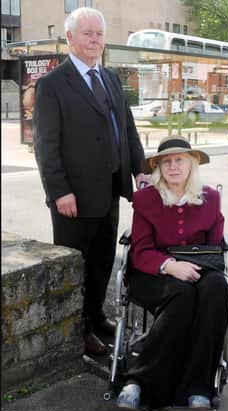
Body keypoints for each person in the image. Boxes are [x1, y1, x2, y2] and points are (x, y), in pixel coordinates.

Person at [33, 7, 149, 356]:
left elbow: (127, 129)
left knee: (102, 260)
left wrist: (139, 169)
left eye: (99, 33)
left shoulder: (111, 78)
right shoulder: (52, 85)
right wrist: (59, 192)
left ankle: (96, 317)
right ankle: (79, 330)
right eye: (87, 33)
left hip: (110, 190)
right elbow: (45, 146)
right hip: (74, 198)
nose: (95, 39)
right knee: (77, 265)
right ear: (70, 38)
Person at [116, 135, 228, 410]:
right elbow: (141, 250)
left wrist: (193, 269)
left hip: (200, 270)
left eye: (179, 159)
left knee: (217, 290)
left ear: (191, 164)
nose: (173, 166)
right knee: (181, 295)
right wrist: (170, 266)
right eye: (166, 161)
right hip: (151, 274)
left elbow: (215, 247)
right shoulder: (145, 200)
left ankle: (198, 386)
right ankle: (139, 381)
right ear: (158, 168)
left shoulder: (210, 198)